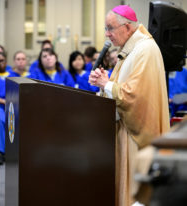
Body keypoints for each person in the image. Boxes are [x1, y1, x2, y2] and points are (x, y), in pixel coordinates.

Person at [88, 5, 170, 206]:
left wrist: (106, 84)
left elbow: (136, 96)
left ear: (127, 27)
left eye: (110, 28)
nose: (107, 35)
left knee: (133, 196)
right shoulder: (131, 48)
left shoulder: (145, 50)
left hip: (136, 134)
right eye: (106, 29)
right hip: (124, 129)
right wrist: (106, 81)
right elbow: (122, 85)